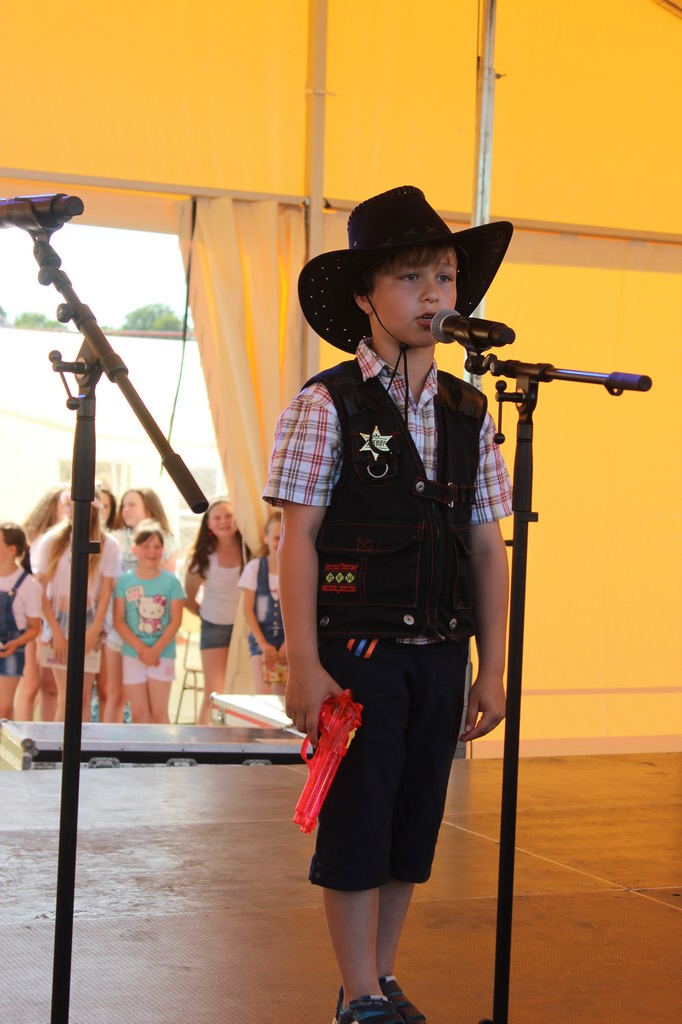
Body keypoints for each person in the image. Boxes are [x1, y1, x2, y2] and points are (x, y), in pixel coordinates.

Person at [264, 186, 514, 1024]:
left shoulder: (470, 411)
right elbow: (297, 538)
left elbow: (488, 547)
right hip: (358, 653)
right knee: (359, 825)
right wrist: (304, 662)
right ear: (366, 297)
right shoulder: (326, 402)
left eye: (445, 276)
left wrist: (492, 669)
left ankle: (378, 977)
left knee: (413, 826)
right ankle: (360, 995)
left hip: (441, 651)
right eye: (411, 278)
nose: (434, 293)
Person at [36, 492, 121, 723]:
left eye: (76, 506)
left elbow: (106, 591)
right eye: (68, 505)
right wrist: (55, 631)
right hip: (58, 622)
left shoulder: (108, 545)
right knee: (66, 698)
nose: (71, 511)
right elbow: (39, 590)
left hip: (90, 622)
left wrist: (94, 630)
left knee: (82, 697)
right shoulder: (52, 541)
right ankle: (61, 745)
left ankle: (82, 744)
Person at [104, 487, 178, 723]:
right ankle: (111, 744)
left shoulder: (167, 540)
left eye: (132, 504)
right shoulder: (113, 538)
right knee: (115, 696)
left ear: (148, 507)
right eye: (123, 505)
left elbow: (168, 580)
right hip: (119, 630)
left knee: (156, 710)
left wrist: (149, 546)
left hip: (155, 639)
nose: (125, 510)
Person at [113, 519, 184, 724]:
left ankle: (164, 747)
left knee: (159, 714)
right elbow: (119, 620)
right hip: (133, 654)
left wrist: (155, 651)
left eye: (157, 546)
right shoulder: (124, 581)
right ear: (135, 549)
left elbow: (176, 621)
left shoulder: (172, 582)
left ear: (163, 550)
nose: (152, 552)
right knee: (139, 714)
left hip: (163, 655)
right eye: (146, 546)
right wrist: (142, 650)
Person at [14, 484, 70, 721]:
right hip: (32, 620)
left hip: (47, 621)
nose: (70, 508)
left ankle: (46, 734)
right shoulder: (41, 539)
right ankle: (21, 733)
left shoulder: (65, 539)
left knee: (49, 686)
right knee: (30, 685)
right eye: (65, 503)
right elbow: (34, 586)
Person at [185, 497, 243, 723]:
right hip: (214, 627)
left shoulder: (250, 550)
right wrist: (206, 615)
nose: (224, 521)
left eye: (228, 515)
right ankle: (204, 738)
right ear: (208, 524)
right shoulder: (202, 557)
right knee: (214, 691)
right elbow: (188, 598)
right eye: (217, 518)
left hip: (244, 629)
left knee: (239, 689)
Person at [238, 512, 286, 695]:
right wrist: (263, 643)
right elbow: (248, 610)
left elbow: (300, 614)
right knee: (263, 694)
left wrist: (288, 644)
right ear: (265, 538)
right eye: (276, 537)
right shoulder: (255, 568)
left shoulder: (295, 569)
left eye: (284, 537)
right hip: (261, 640)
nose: (280, 542)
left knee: (284, 696)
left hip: (287, 643)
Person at [0, 523, 42, 719]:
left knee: (3, 708)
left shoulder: (29, 585)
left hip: (10, 650)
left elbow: (34, 628)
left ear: (11, 550)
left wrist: (14, 643)